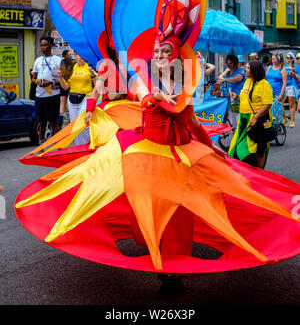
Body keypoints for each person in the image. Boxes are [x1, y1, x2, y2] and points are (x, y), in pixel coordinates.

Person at [16, 34, 300, 298]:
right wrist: (138, 101)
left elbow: (190, 121)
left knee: (185, 209)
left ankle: (172, 274)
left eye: (166, 51)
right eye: (156, 51)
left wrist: (211, 147)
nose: (160, 55)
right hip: (146, 151)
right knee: (145, 204)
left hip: (180, 152)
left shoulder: (184, 86)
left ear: (176, 57)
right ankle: (161, 263)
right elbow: (138, 95)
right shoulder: (143, 79)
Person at [228, 60, 273, 169]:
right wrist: (237, 97)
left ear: (254, 71)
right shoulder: (248, 81)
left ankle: (260, 171)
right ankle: (249, 170)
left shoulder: (264, 84)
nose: (245, 70)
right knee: (240, 145)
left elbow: (267, 104)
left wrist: (256, 117)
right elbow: (246, 98)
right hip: (244, 118)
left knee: (258, 145)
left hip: (257, 119)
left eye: (247, 68)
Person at [58, 53, 95, 145]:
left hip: (86, 97)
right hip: (72, 99)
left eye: (82, 53)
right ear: (75, 55)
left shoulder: (90, 66)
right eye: (78, 54)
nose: (81, 56)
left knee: (84, 124)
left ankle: (89, 145)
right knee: (75, 126)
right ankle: (79, 148)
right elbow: (65, 87)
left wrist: (93, 75)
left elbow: (97, 85)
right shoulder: (71, 68)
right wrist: (61, 77)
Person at [31, 36, 62, 144]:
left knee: (53, 122)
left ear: (52, 45)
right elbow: (33, 78)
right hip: (39, 96)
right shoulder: (38, 60)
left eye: (45, 45)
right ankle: (41, 145)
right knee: (41, 122)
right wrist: (37, 82)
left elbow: (64, 81)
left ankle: (58, 145)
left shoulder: (58, 61)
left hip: (52, 96)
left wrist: (50, 83)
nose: (43, 48)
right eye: (42, 45)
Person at [217, 54, 245, 129]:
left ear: (235, 62)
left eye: (230, 62)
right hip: (230, 102)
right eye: (227, 62)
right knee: (234, 125)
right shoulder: (228, 73)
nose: (228, 64)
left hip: (238, 101)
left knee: (240, 125)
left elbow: (238, 78)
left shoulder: (241, 70)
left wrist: (224, 79)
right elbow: (223, 82)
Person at [266, 52, 287, 124]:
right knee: (268, 109)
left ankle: (277, 124)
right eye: (272, 59)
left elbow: (284, 83)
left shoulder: (282, 70)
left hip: (278, 92)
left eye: (274, 59)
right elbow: (265, 79)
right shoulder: (269, 67)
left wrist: (281, 94)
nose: (272, 60)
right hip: (268, 92)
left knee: (276, 109)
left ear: (278, 60)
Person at [57, 50, 75, 129]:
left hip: (71, 84)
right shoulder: (62, 62)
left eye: (70, 54)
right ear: (65, 55)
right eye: (69, 54)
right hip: (64, 83)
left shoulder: (73, 63)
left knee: (70, 102)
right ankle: (61, 121)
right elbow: (62, 73)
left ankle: (70, 119)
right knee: (63, 102)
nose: (70, 55)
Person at [283, 52, 298, 128]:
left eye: (289, 57)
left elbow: (297, 77)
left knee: (291, 104)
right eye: (286, 57)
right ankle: (285, 118)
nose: (287, 59)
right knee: (280, 103)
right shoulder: (283, 66)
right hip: (283, 86)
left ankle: (292, 121)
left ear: (292, 59)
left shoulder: (295, 67)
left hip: (291, 86)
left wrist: (294, 74)